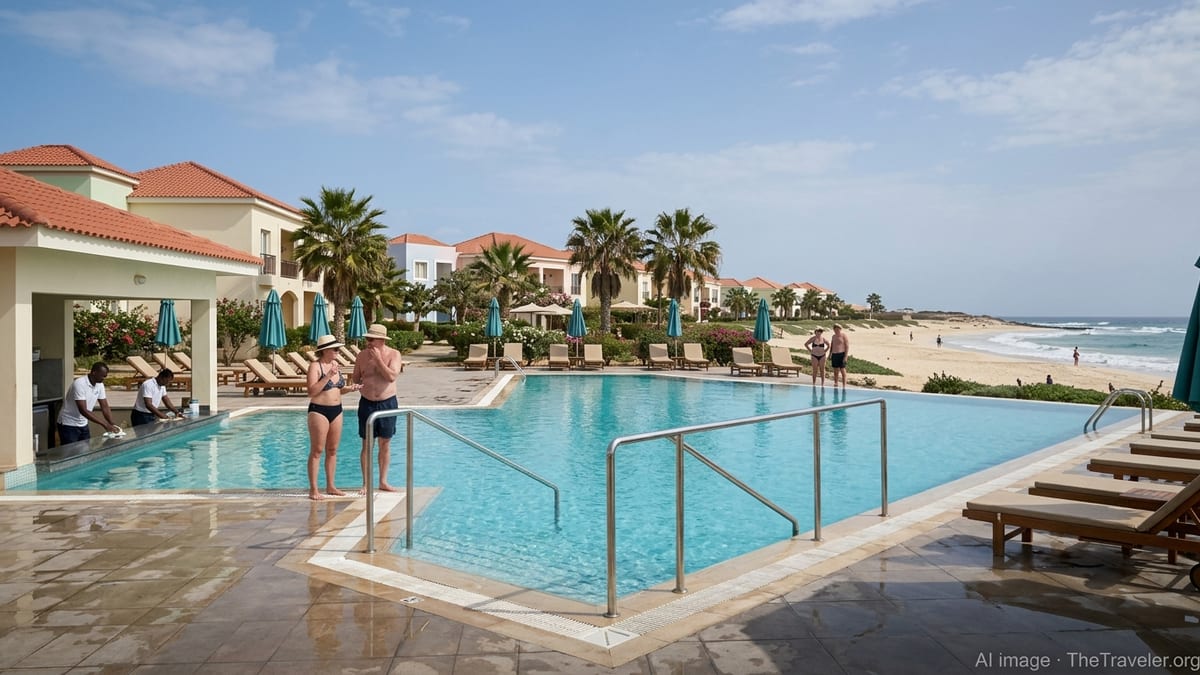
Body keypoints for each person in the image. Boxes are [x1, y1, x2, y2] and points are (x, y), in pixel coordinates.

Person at [307, 334, 361, 501]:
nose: (338, 351)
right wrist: (328, 376)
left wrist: (350, 388)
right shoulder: (315, 366)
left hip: (337, 410)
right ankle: (314, 489)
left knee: (332, 450)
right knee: (317, 450)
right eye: (335, 349)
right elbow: (312, 391)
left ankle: (331, 486)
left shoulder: (335, 364)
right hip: (319, 411)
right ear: (325, 350)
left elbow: (339, 388)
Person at [354, 323, 403, 492]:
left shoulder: (394, 354)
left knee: (385, 443)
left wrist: (378, 361)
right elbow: (355, 378)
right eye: (367, 338)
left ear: (381, 340)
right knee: (367, 444)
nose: (368, 342)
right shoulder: (361, 356)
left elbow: (391, 376)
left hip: (387, 402)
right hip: (367, 403)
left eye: (371, 339)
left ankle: (383, 481)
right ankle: (366, 483)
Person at [57, 362, 120, 444]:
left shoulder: (99, 385)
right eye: (103, 376)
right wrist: (105, 424)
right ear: (94, 372)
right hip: (68, 424)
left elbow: (104, 406)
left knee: (85, 452)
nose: (104, 378)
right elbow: (83, 410)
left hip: (83, 423)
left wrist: (112, 423)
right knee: (71, 454)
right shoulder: (79, 384)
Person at [829, 324, 850, 389]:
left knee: (842, 369)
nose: (836, 330)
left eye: (838, 329)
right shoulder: (833, 336)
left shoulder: (844, 335)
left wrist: (845, 356)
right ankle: (836, 383)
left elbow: (847, 346)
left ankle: (844, 385)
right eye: (835, 329)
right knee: (835, 370)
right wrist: (830, 354)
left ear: (840, 329)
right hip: (834, 354)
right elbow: (832, 346)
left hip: (842, 354)